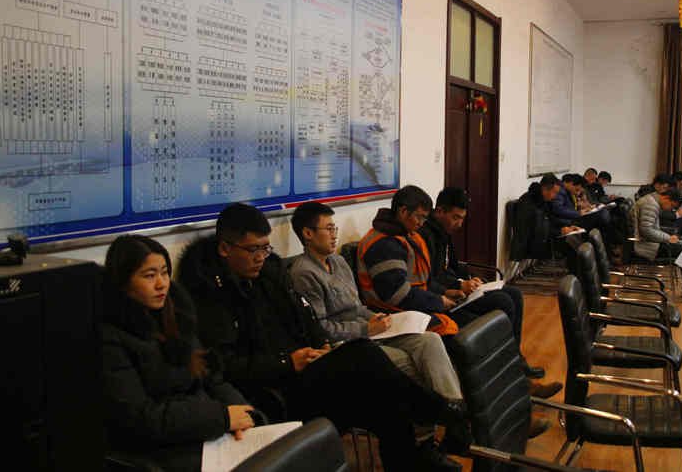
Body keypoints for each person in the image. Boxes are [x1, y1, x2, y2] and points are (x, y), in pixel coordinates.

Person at [178, 203, 470, 471]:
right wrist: (287, 362)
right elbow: (225, 366)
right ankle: (436, 410)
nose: (260, 257)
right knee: (364, 355)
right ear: (225, 248)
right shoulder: (208, 296)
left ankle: (412, 457)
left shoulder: (270, 273)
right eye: (253, 249)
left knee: (386, 399)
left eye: (265, 248)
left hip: (307, 368)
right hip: (274, 393)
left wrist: (321, 347)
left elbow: (306, 319)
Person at [288, 201, 467, 464]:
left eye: (335, 228)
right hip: (346, 347)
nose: (335, 234)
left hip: (370, 331)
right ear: (307, 234)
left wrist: (375, 318)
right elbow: (321, 328)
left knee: (429, 340)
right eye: (329, 228)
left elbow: (357, 307)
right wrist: (366, 327)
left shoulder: (338, 262)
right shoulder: (303, 273)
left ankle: (454, 416)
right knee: (410, 363)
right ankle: (424, 441)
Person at [102, 235, 261, 472]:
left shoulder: (177, 315)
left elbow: (212, 379)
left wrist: (243, 413)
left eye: (165, 273)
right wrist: (222, 418)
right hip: (161, 448)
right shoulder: (110, 337)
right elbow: (141, 418)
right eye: (149, 276)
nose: (161, 284)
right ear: (123, 281)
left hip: (205, 430)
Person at [419, 187, 554, 387]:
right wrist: (459, 284)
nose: (459, 224)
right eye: (455, 218)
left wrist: (471, 278)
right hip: (446, 296)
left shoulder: (444, 233)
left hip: (456, 289)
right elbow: (432, 277)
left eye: (462, 218)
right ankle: (508, 372)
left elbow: (454, 266)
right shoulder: (425, 236)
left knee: (514, 293)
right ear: (439, 211)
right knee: (503, 301)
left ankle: (515, 360)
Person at [513, 173, 584, 270]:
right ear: (545, 189)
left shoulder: (541, 200)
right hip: (532, 243)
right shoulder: (529, 202)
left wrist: (567, 227)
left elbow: (549, 220)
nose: (554, 196)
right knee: (573, 248)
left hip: (543, 238)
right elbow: (536, 230)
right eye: (554, 192)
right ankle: (576, 277)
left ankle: (577, 276)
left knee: (575, 242)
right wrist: (559, 231)